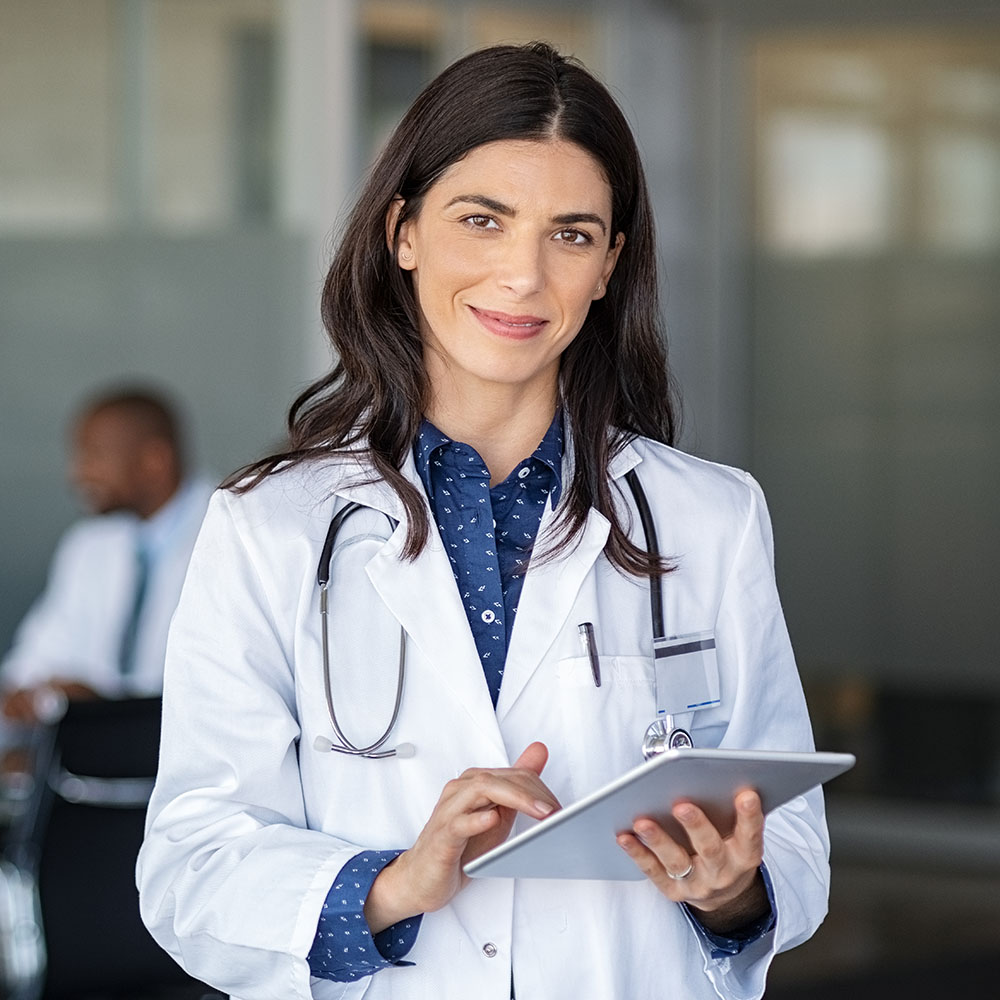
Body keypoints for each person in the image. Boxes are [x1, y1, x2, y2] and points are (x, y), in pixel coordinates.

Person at [137, 43, 830, 1000]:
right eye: (483, 220)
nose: (523, 275)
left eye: (572, 234)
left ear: (608, 267)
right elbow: (191, 865)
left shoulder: (709, 518)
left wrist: (731, 890)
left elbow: (791, 834)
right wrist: (390, 886)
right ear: (404, 231)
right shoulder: (271, 527)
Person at [0, 386, 214, 726]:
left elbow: (216, 688)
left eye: (95, 456)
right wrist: (25, 697)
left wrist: (103, 706)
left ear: (153, 462)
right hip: (88, 767)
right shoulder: (88, 546)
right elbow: (35, 660)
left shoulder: (229, 536)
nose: (78, 475)